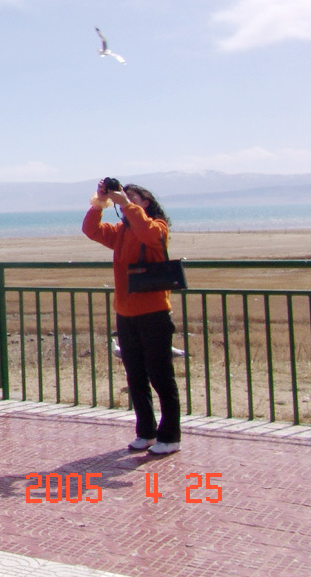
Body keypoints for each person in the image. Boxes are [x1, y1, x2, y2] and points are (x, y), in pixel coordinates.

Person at [83, 180, 180, 455]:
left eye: (132, 196)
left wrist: (125, 202)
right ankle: (146, 432)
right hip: (126, 313)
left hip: (154, 313)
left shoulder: (157, 227)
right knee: (135, 376)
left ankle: (170, 436)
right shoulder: (121, 232)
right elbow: (91, 230)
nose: (123, 199)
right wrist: (101, 202)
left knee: (161, 376)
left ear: (145, 203)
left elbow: (148, 234)